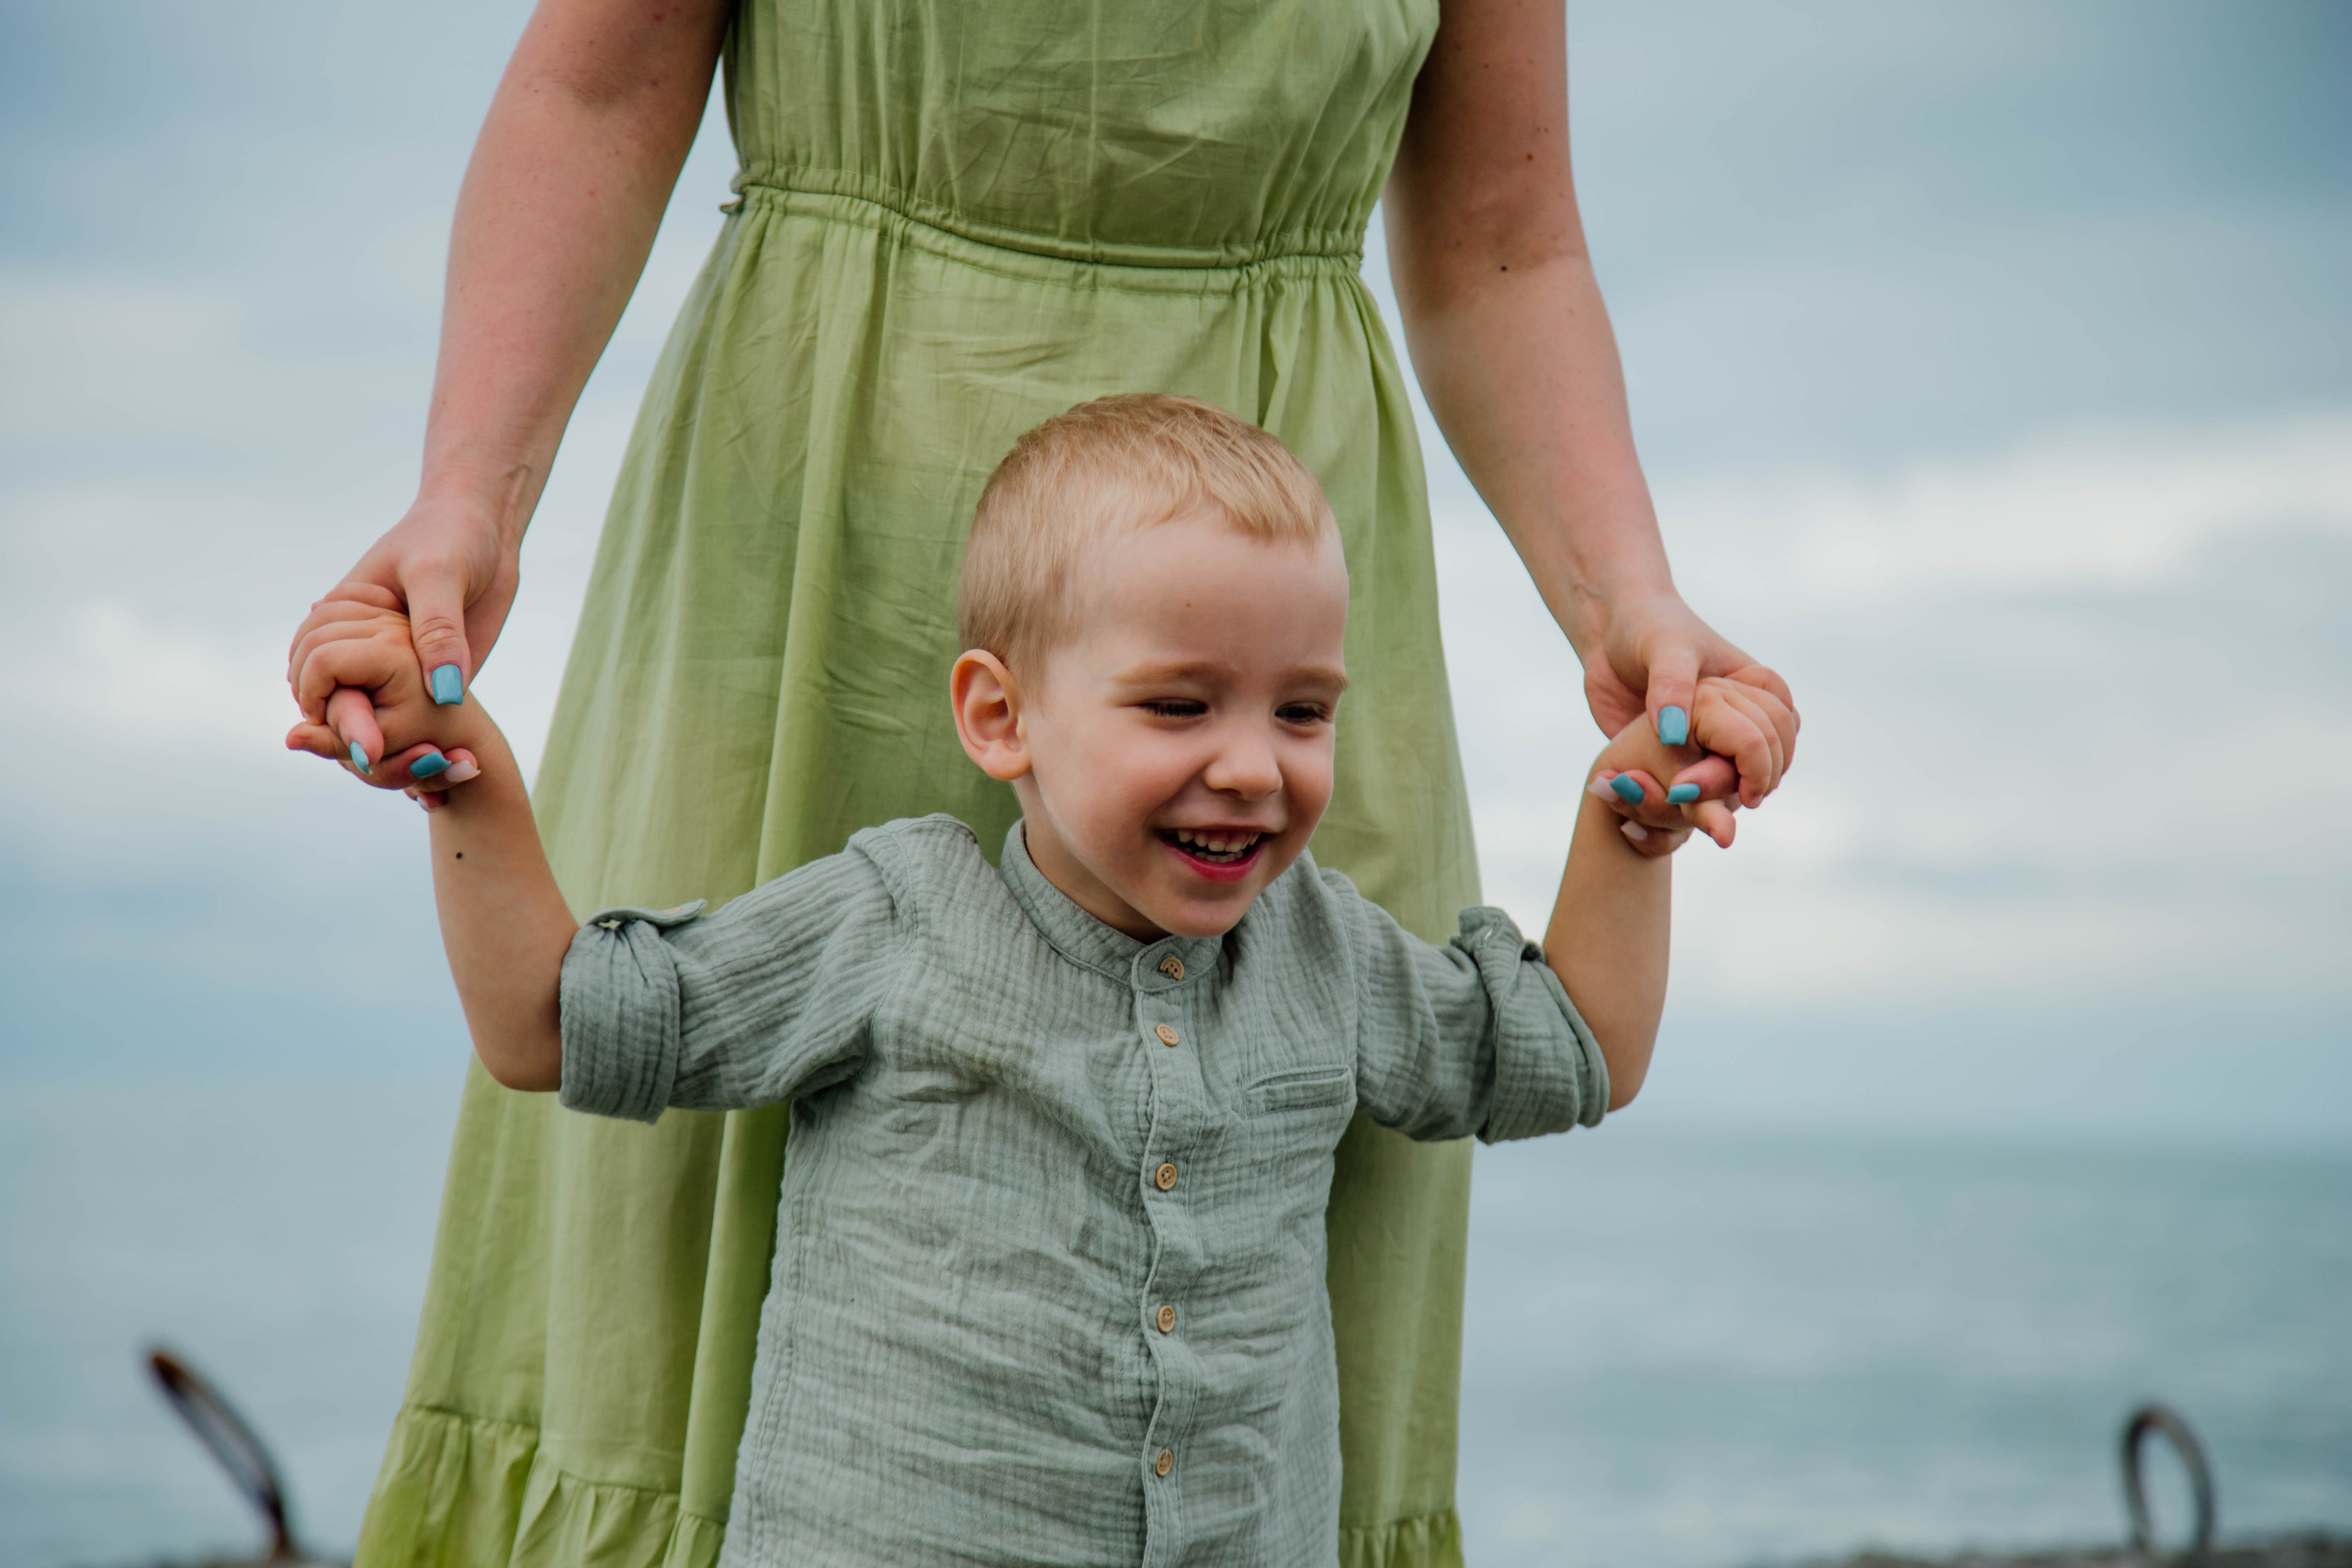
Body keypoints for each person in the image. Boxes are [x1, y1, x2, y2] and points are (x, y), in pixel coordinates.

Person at [287, 2, 1797, 1561]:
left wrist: (1633, 731)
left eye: (1303, 715)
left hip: (1295, 492)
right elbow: (563, 1018)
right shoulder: (887, 920)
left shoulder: (1330, 957)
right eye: (1183, 709)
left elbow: (1511, 238)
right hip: (824, 486)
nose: (1249, 767)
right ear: (992, 716)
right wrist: (458, 688)